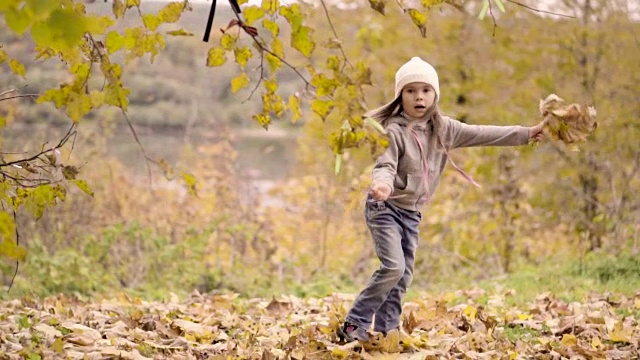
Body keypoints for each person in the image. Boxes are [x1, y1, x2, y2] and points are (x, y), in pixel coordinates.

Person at [337, 57, 545, 343]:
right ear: (400, 95)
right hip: (384, 207)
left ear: (435, 95)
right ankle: (353, 323)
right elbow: (384, 165)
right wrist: (381, 186)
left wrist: (526, 133)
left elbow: (482, 133)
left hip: (412, 212)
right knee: (393, 267)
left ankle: (387, 330)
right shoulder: (393, 131)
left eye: (425, 90)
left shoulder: (444, 129)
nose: (418, 96)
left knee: (403, 275)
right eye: (410, 91)